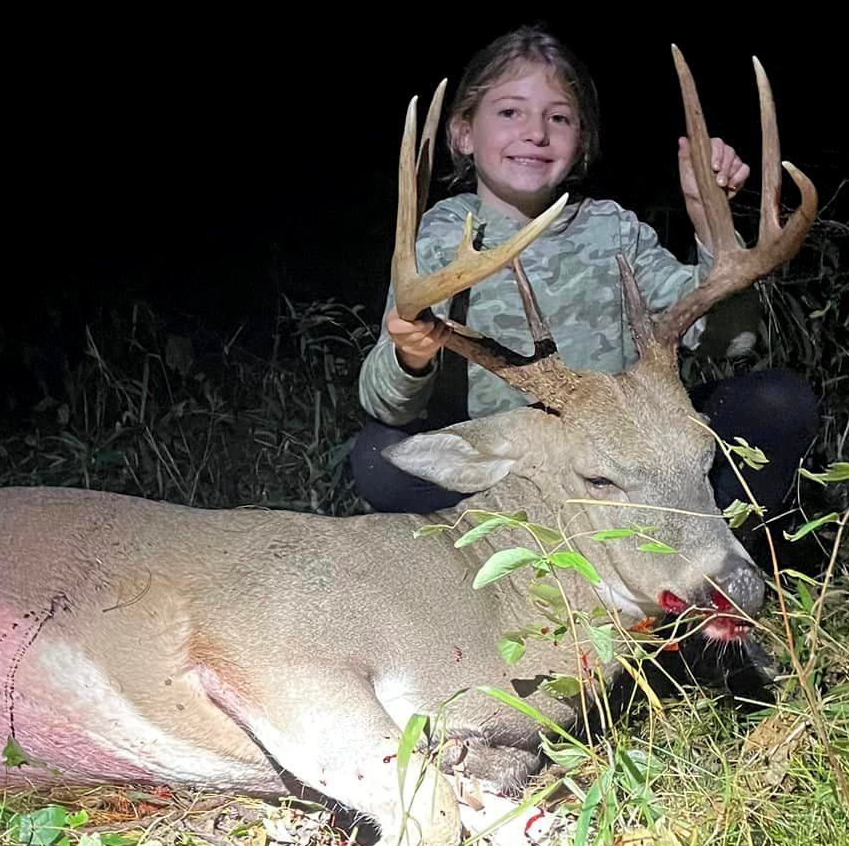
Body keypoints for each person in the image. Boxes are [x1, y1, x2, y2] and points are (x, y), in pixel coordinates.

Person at [349, 26, 817, 523]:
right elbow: (386, 402)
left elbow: (734, 340)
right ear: (464, 133)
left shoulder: (613, 230)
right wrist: (409, 358)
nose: (535, 132)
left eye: (559, 117)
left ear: (582, 141)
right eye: (509, 112)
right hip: (509, 470)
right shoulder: (441, 237)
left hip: (626, 460)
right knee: (379, 456)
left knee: (777, 402)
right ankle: (505, 573)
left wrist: (708, 218)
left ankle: (695, 564)